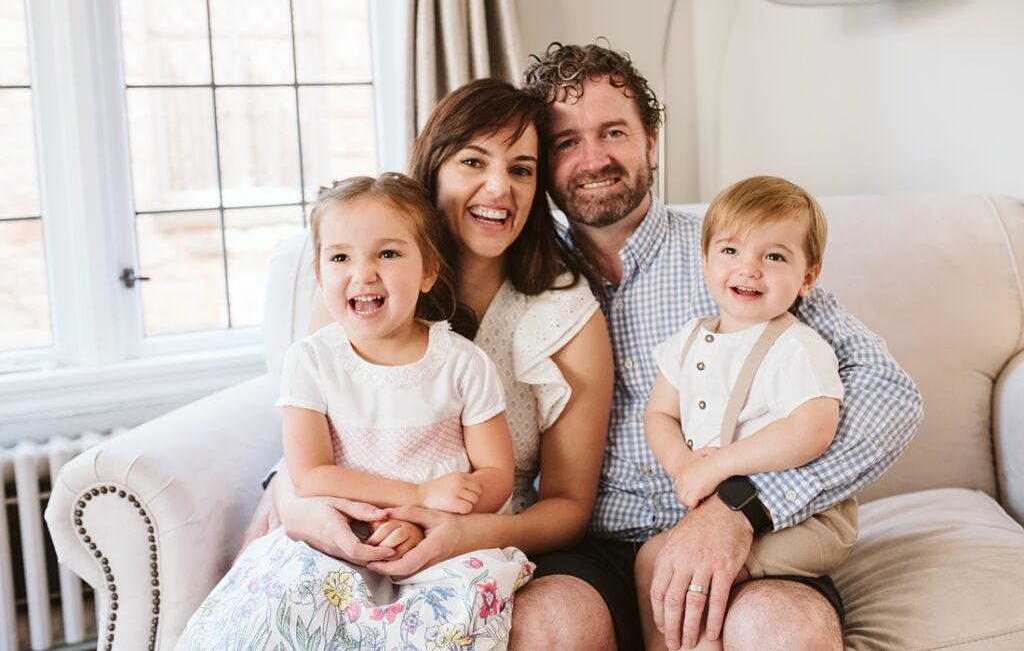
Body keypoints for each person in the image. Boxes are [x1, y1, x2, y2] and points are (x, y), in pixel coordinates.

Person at [359, 44, 921, 651]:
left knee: (781, 630)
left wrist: (742, 508)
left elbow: (891, 395)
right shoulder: (523, 283)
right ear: (544, 165)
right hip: (590, 551)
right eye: (567, 142)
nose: (593, 158)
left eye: (613, 132)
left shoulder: (736, 257)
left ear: (652, 142)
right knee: (547, 626)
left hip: (746, 531)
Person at [221, 79, 615, 648]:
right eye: (473, 161)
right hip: (349, 524)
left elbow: (569, 506)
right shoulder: (361, 292)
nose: (499, 187)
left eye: (523, 169)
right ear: (434, 168)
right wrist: (300, 512)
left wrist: (457, 532)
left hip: (483, 534)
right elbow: (305, 457)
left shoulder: (563, 314)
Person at [179, 172, 534, 649]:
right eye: (341, 257)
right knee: (279, 614)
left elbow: (495, 475)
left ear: (428, 269)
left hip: (434, 552)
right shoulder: (311, 362)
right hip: (332, 544)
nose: (363, 273)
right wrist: (420, 493)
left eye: (387, 254)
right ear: (321, 275)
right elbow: (310, 475)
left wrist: (428, 517)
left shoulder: (462, 363)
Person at [637, 175, 858, 650]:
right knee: (655, 559)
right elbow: (659, 415)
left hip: (801, 522)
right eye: (731, 250)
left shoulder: (797, 346)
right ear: (705, 261)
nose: (750, 268)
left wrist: (718, 465)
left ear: (808, 277)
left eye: (774, 256)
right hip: (715, 514)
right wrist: (684, 465)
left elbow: (813, 428)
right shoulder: (689, 339)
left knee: (702, 570)